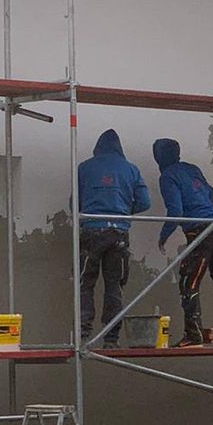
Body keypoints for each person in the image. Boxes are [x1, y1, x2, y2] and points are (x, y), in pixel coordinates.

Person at [153, 138, 213, 346]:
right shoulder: (191, 168)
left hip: (200, 232)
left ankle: (193, 334)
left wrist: (164, 235)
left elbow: (175, 210)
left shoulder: (168, 176)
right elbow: (210, 193)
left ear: (158, 157)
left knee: (189, 282)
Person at [77, 129, 151, 347]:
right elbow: (145, 202)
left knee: (85, 283)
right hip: (118, 233)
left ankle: (82, 334)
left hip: (91, 231)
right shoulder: (131, 169)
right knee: (114, 286)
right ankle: (111, 339)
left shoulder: (84, 168)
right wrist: (124, 211)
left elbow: (75, 203)